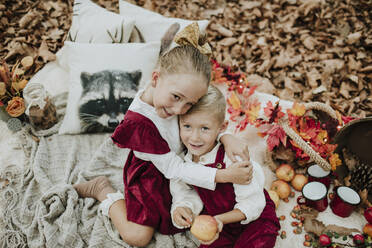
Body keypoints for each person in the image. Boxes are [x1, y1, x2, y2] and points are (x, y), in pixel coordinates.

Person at [73, 24, 253, 247]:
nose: (180, 110)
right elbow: (173, 169)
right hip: (154, 174)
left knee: (225, 204)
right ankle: (103, 191)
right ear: (155, 79)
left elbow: (207, 120)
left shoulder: (177, 91)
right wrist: (224, 176)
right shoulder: (140, 123)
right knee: (138, 237)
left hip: (186, 159)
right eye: (177, 98)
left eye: (190, 103)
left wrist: (226, 137)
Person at [171, 85, 280, 248]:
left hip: (253, 219)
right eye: (187, 126)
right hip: (219, 223)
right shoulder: (184, 162)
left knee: (259, 242)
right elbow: (186, 191)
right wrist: (183, 207)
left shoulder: (233, 157)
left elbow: (252, 204)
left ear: (221, 127)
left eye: (205, 128)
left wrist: (221, 219)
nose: (194, 137)